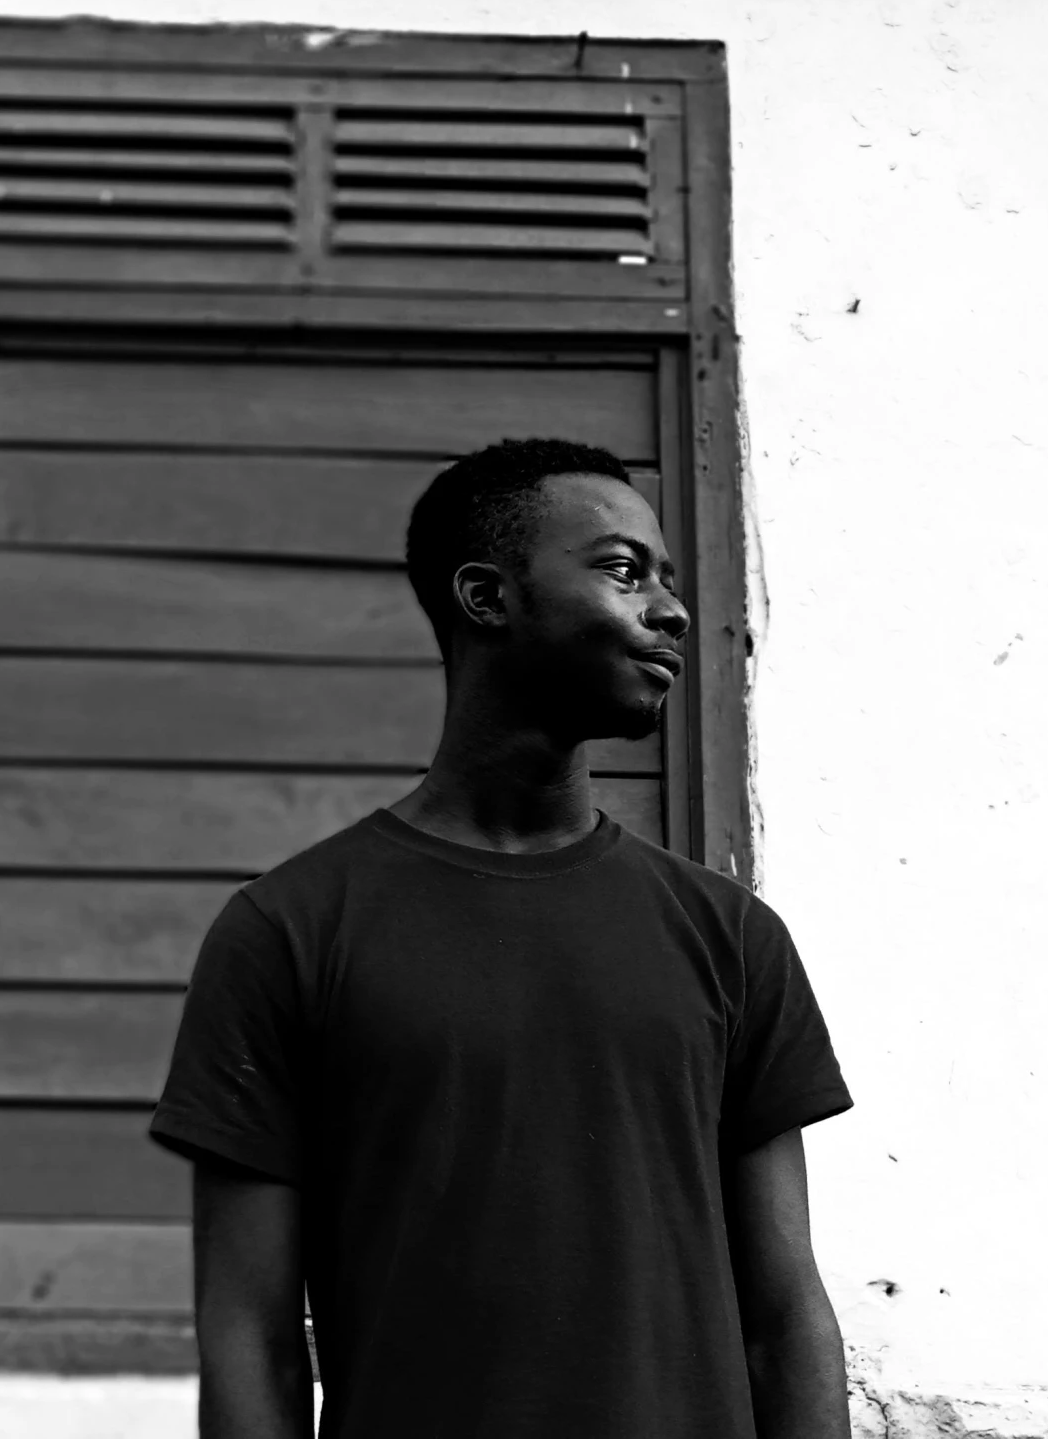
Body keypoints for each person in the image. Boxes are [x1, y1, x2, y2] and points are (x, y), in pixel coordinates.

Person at [150, 437, 853, 1439]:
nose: (670, 609)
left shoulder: (727, 935)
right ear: (486, 598)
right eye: (621, 571)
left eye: (665, 579)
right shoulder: (289, 931)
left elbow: (784, 1321)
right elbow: (248, 1335)